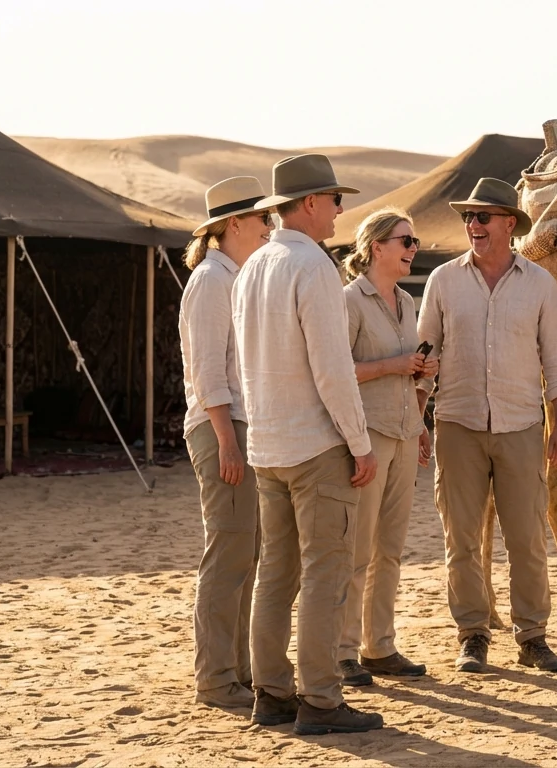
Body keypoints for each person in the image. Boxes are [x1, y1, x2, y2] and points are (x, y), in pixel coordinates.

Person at [231, 154, 382, 735]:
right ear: (312, 203)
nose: (341, 210)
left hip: (268, 442)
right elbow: (333, 369)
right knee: (325, 573)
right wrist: (360, 443)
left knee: (277, 573)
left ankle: (271, 693)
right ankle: (320, 699)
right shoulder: (315, 267)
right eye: (336, 200)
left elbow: (246, 361)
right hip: (316, 445)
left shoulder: (252, 267)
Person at [417, 177, 557, 674]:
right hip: (457, 424)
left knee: (526, 535)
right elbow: (425, 354)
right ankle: (472, 635)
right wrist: (417, 417)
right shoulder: (441, 280)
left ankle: (533, 637)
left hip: (522, 425)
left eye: (483, 217)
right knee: (460, 538)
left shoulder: (540, 284)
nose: (473, 225)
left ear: (510, 223)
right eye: (468, 217)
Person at [180, 177, 275, 709]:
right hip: (222, 427)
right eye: (262, 219)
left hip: (242, 426)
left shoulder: (236, 277)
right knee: (229, 550)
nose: (269, 227)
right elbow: (207, 373)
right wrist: (227, 443)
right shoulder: (211, 281)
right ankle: (216, 677)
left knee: (247, 551)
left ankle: (234, 671)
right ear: (233, 224)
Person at [335, 208, 438, 685]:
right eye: (406, 241)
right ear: (376, 246)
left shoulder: (408, 301)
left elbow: (404, 369)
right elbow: (338, 372)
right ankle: (342, 652)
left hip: (402, 430)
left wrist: (419, 397)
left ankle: (380, 646)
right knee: (356, 550)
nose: (413, 249)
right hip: (365, 436)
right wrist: (395, 365)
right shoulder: (348, 302)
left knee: (390, 549)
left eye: (414, 242)